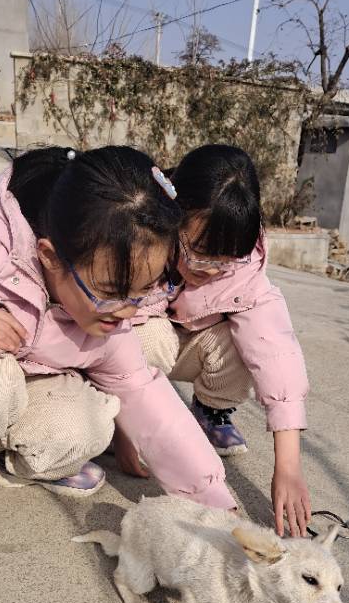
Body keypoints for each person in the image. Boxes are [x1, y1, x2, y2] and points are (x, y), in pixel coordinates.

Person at [0, 145, 235, 579]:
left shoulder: (109, 316)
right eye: (111, 290)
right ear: (50, 256)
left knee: (90, 423)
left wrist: (215, 508)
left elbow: (146, 396)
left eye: (143, 290)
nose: (128, 311)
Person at [119, 144, 310, 538]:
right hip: (134, 341)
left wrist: (289, 467)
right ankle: (116, 419)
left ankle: (209, 410)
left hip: (185, 343)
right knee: (149, 338)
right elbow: (110, 333)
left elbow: (275, 350)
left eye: (224, 261)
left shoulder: (243, 267)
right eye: (200, 253)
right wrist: (125, 434)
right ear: (174, 211)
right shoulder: (137, 229)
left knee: (247, 341)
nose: (209, 270)